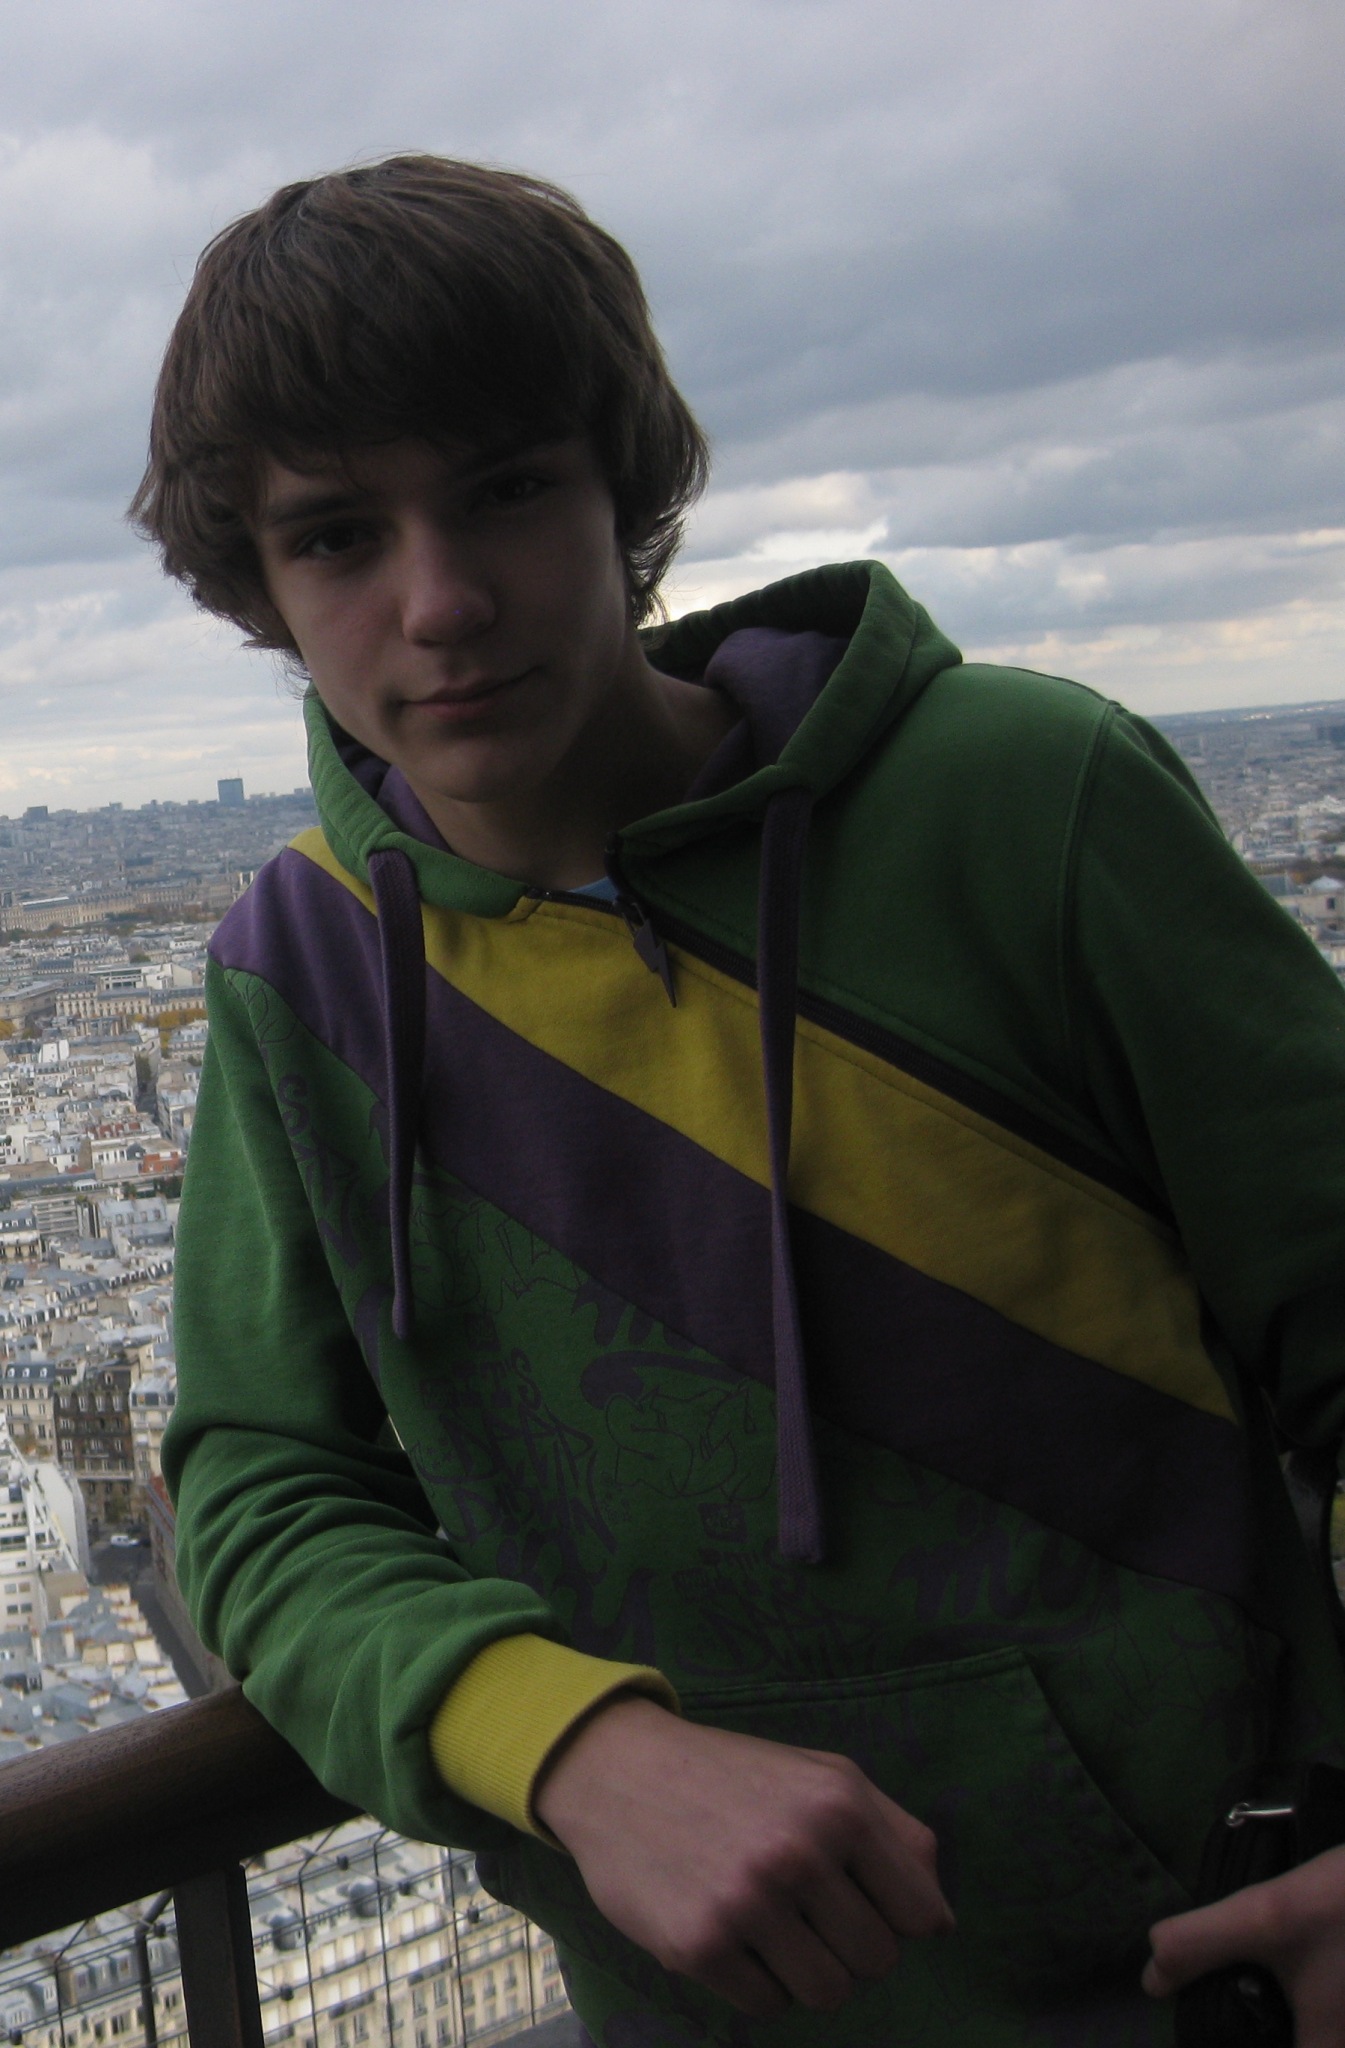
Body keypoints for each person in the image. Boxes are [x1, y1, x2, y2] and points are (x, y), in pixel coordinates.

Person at [134, 155, 1345, 2045]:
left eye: (506, 490)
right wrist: (569, 1744)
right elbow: (266, 1480)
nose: (440, 602)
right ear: (263, 592)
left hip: (1237, 1959)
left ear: (624, 492)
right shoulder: (296, 977)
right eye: (339, 537)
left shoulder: (1023, 804)